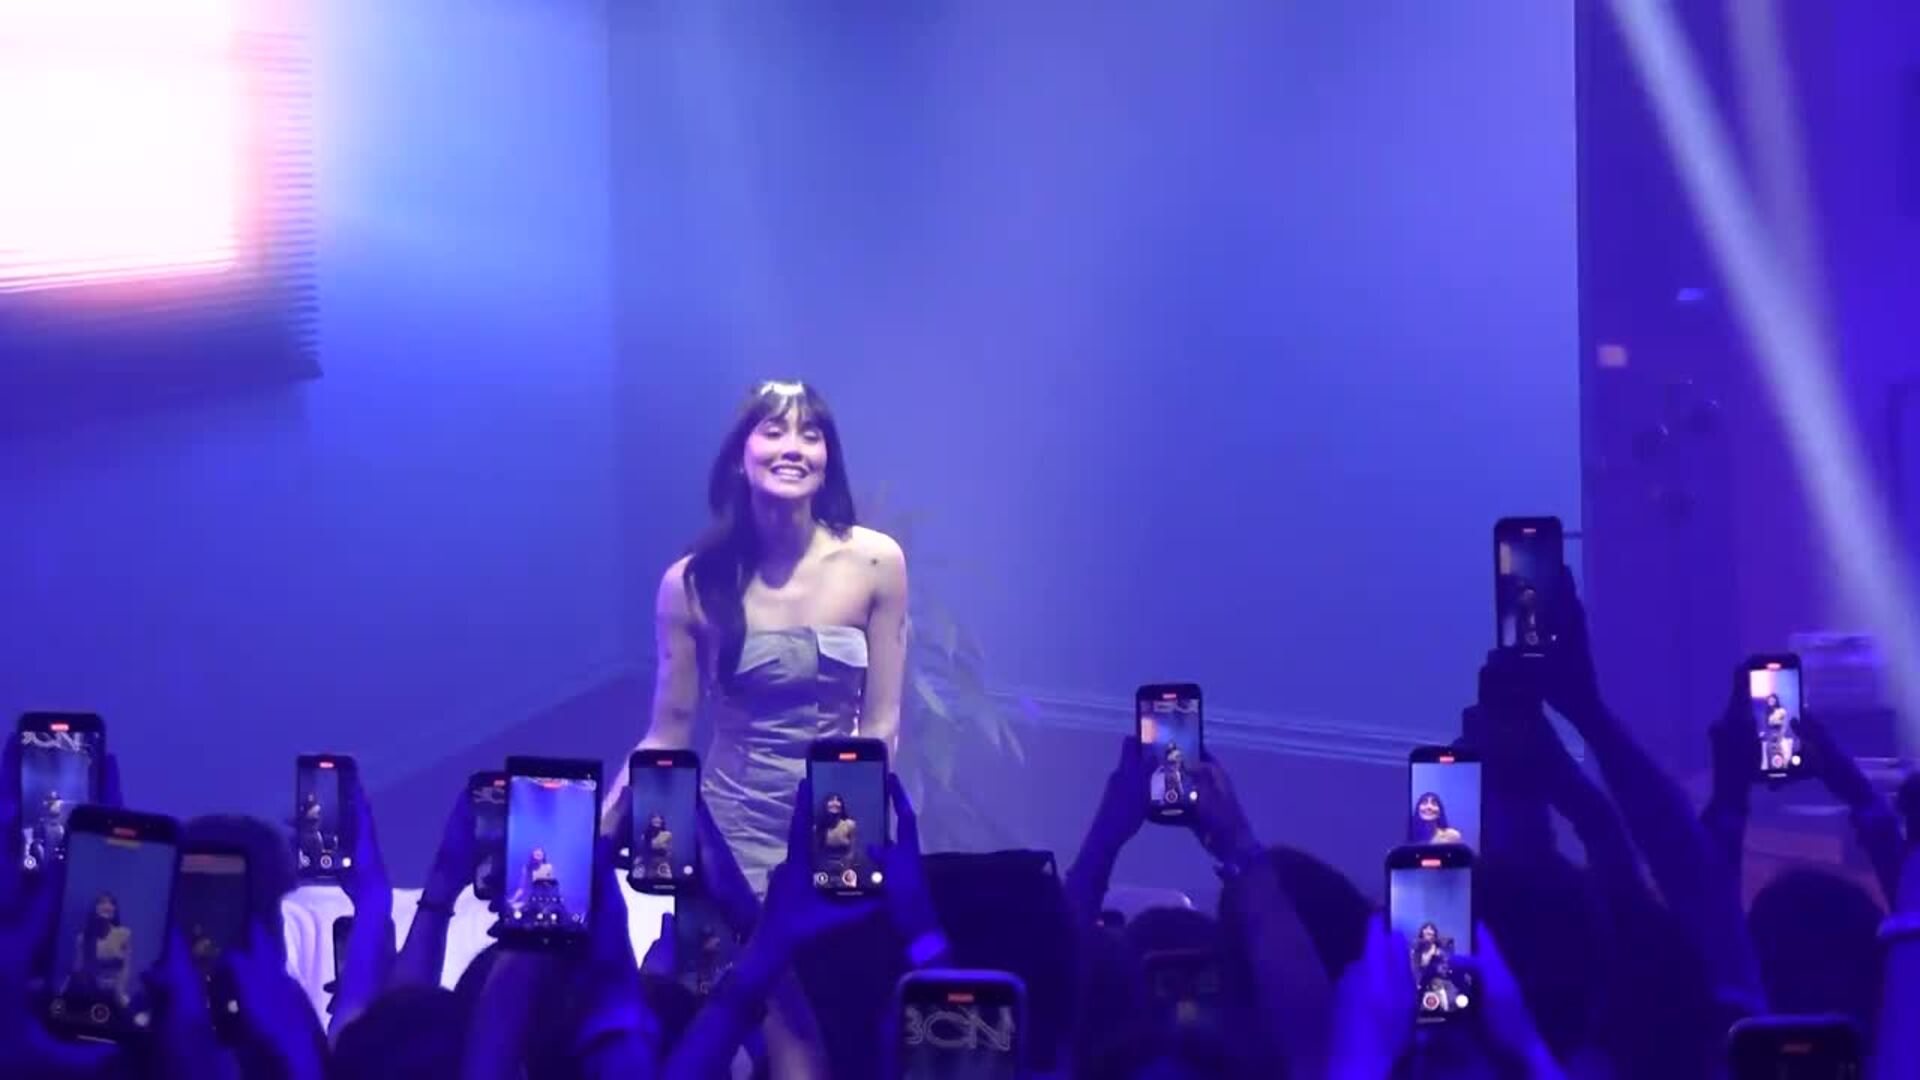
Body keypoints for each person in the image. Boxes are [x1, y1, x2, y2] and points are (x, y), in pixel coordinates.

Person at [605, 381, 910, 895]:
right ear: (738, 459)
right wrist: (596, 835)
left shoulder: (877, 563)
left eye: (810, 435)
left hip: (837, 837)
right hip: (731, 837)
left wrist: (852, 838)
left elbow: (882, 724)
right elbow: (667, 735)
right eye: (774, 431)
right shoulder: (691, 583)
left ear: (826, 462)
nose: (793, 448)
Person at [68, 892, 133, 1006]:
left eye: (111, 903)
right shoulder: (83, 938)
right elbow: (78, 968)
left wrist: (119, 992)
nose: (107, 906)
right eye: (102, 902)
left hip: (114, 992)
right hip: (90, 992)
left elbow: (126, 967)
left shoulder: (124, 934)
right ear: (95, 909)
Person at [815, 792, 859, 884]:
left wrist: (847, 869)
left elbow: (853, 851)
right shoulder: (817, 827)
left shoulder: (849, 824)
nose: (835, 803)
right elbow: (814, 851)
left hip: (845, 869)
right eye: (831, 800)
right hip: (823, 870)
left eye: (838, 800)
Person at [642, 811, 674, 880]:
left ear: (662, 820)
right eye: (654, 818)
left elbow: (669, 850)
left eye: (658, 818)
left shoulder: (667, 833)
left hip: (663, 861)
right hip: (650, 861)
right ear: (651, 820)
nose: (657, 820)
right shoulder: (646, 833)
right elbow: (648, 846)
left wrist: (666, 850)